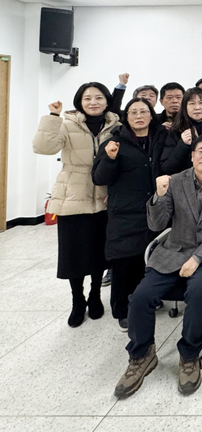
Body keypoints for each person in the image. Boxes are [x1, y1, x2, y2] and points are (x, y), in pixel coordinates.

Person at [114, 133, 202, 398]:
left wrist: (198, 258)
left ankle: (190, 354)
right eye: (201, 151)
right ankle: (141, 354)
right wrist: (159, 196)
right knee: (140, 297)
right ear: (192, 155)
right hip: (172, 251)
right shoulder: (175, 182)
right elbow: (157, 225)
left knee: (198, 293)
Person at [33, 82, 122, 328]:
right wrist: (53, 117)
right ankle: (77, 300)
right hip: (73, 194)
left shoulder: (116, 126)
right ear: (79, 102)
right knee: (74, 253)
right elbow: (43, 147)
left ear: (107, 101)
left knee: (99, 251)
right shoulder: (67, 123)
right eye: (87, 98)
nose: (93, 102)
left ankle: (95, 295)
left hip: (104, 195)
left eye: (99, 97)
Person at [92, 98, 168, 331]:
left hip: (155, 208)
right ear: (126, 117)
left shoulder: (161, 138)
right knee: (124, 260)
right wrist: (110, 159)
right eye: (133, 112)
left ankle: (144, 301)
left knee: (147, 258)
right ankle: (122, 310)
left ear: (151, 115)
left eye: (144, 111)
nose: (139, 116)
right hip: (125, 211)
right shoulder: (114, 142)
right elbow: (99, 178)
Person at [160, 87, 202, 175]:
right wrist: (182, 145)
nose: (197, 107)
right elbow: (167, 168)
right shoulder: (176, 130)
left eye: (201, 103)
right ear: (185, 107)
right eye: (192, 103)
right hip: (185, 179)